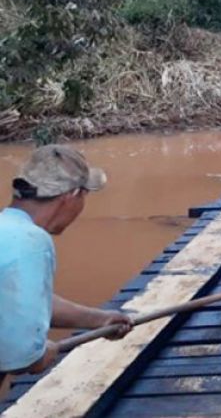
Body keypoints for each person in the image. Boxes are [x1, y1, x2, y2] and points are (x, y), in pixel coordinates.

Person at [0, 146, 133, 394]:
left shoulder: (6, 229)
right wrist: (39, 354)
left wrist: (99, 319)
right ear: (72, 196)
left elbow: (22, 302)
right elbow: (20, 355)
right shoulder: (31, 242)